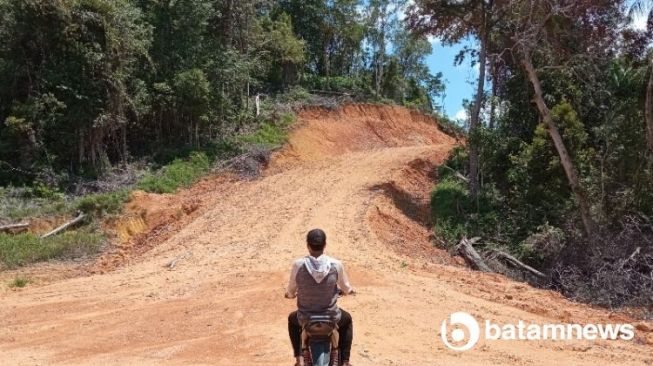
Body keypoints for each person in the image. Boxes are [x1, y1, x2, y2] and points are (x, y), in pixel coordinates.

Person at [285, 228, 355, 366]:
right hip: (331, 317)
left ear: (308, 245)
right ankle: (345, 362)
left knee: (292, 320)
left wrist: (289, 294)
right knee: (347, 321)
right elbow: (346, 288)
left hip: (305, 318)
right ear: (325, 244)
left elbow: (291, 291)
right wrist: (347, 291)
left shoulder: (298, 265)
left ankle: (299, 358)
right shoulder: (336, 265)